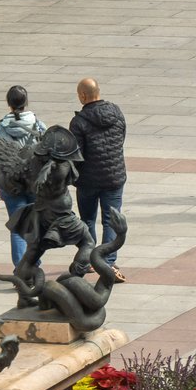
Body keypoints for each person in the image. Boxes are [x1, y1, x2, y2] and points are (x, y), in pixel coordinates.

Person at [68, 78, 126, 277]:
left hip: (88, 180)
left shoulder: (79, 122)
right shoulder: (116, 112)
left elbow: (76, 154)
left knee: (88, 220)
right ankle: (108, 261)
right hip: (115, 177)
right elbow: (122, 137)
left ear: (83, 96)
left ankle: (90, 260)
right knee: (111, 220)